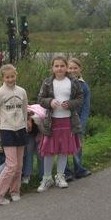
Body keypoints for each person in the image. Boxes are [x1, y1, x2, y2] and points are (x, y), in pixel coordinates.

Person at [37, 56, 83, 192]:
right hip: (52, 122)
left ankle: (60, 176)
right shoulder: (47, 82)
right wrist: (50, 102)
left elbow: (80, 98)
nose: (59, 69)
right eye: (56, 66)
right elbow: (40, 99)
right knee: (49, 151)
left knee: (64, 150)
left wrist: (70, 104)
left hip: (68, 121)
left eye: (62, 66)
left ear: (66, 67)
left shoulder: (73, 82)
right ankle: (46, 178)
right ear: (52, 68)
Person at [0, 64, 28, 205]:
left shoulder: (22, 91)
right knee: (11, 165)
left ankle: (15, 191)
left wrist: (25, 125)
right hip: (7, 131)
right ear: (3, 78)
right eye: (7, 77)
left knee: (19, 165)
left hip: (21, 130)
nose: (10, 79)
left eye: (12, 76)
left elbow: (25, 109)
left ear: (16, 75)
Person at [64, 58, 92, 180]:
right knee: (63, 146)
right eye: (70, 68)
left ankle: (78, 169)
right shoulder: (63, 83)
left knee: (77, 145)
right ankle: (66, 171)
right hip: (64, 119)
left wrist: (82, 121)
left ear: (80, 69)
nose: (72, 70)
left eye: (75, 68)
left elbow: (86, 106)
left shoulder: (84, 86)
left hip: (78, 120)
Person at [21, 107, 44, 184]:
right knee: (28, 152)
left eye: (28, 127)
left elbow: (43, 130)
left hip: (40, 132)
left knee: (40, 153)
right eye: (26, 128)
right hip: (30, 135)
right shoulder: (22, 119)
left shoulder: (38, 119)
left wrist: (39, 137)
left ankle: (43, 176)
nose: (27, 128)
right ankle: (27, 175)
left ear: (30, 120)